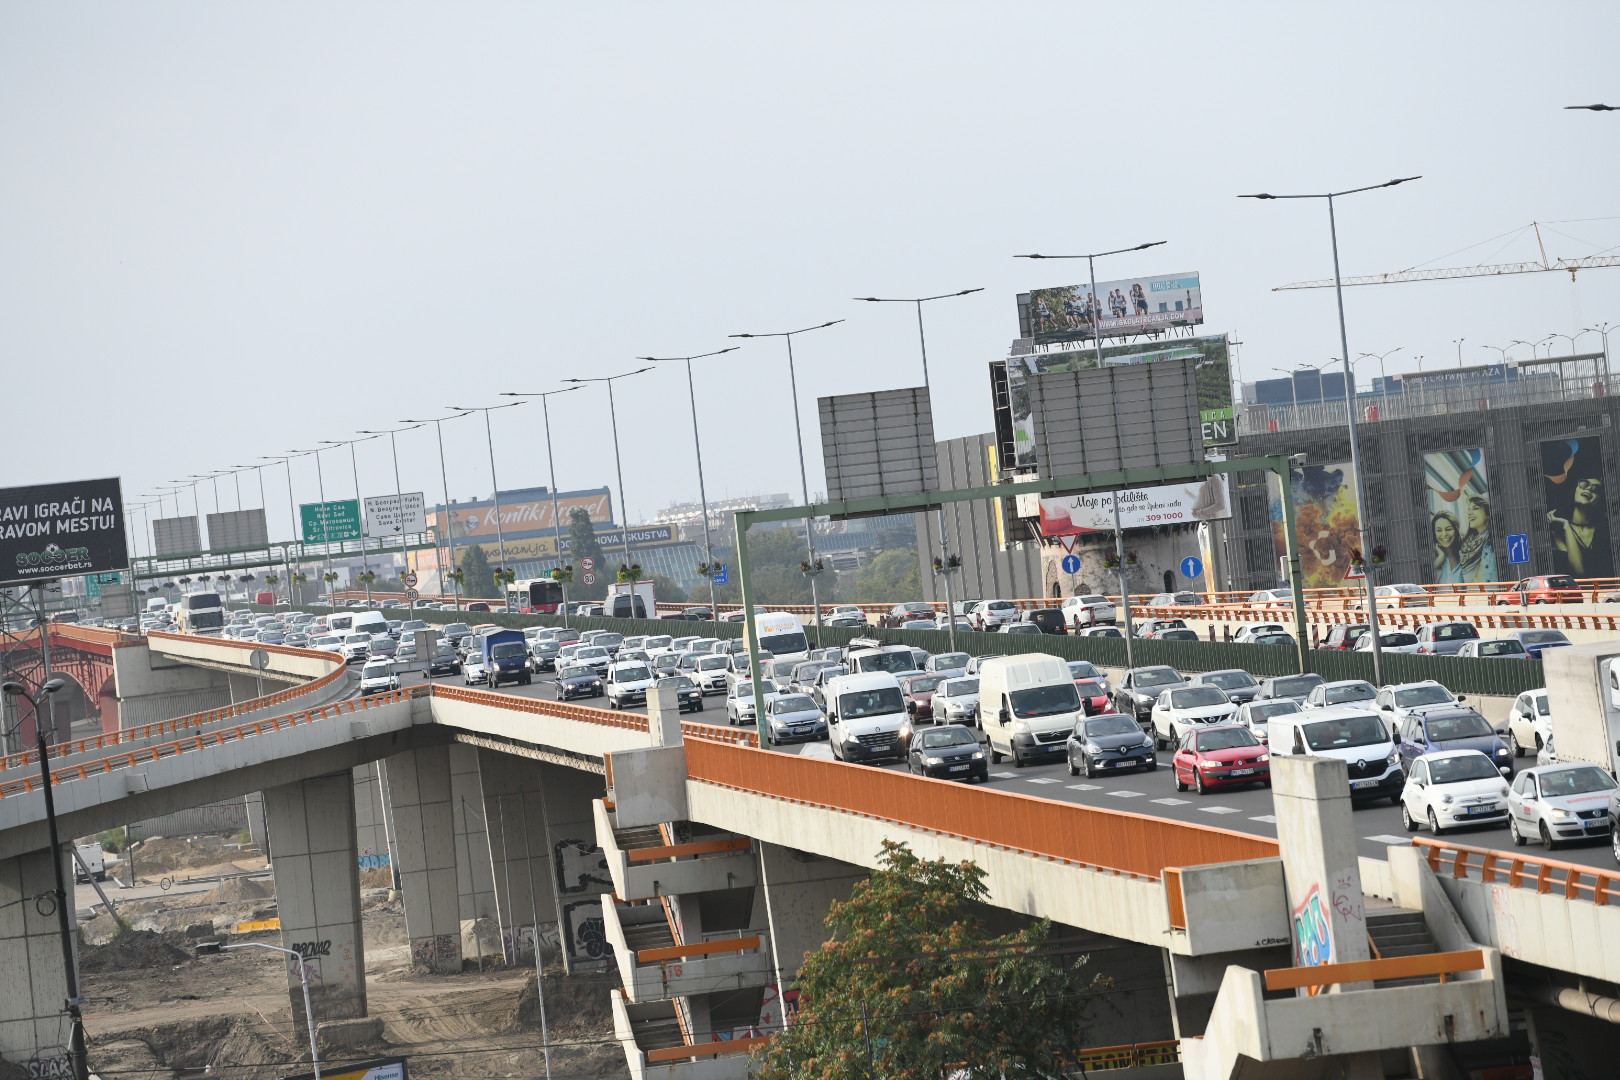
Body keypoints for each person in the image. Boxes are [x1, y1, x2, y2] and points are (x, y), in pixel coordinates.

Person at [1549, 476, 1610, 577]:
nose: (1588, 488)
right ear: (1575, 490)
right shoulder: (1558, 530)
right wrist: (1567, 527)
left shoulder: (1604, 529)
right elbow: (1578, 569)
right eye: (1583, 484)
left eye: (1596, 489)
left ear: (1600, 499)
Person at [1457, 495, 1498, 583]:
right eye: (1469, 509)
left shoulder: (1494, 540)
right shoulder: (1465, 545)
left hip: (1493, 594)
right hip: (1472, 595)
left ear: (1488, 514)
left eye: (1475, 508)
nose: (1469, 513)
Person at [1431, 511, 1463, 584]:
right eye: (1439, 530)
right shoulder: (1431, 558)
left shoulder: (1465, 555)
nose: (1444, 534)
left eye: (1448, 529)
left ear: (1456, 530)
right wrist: (1440, 557)